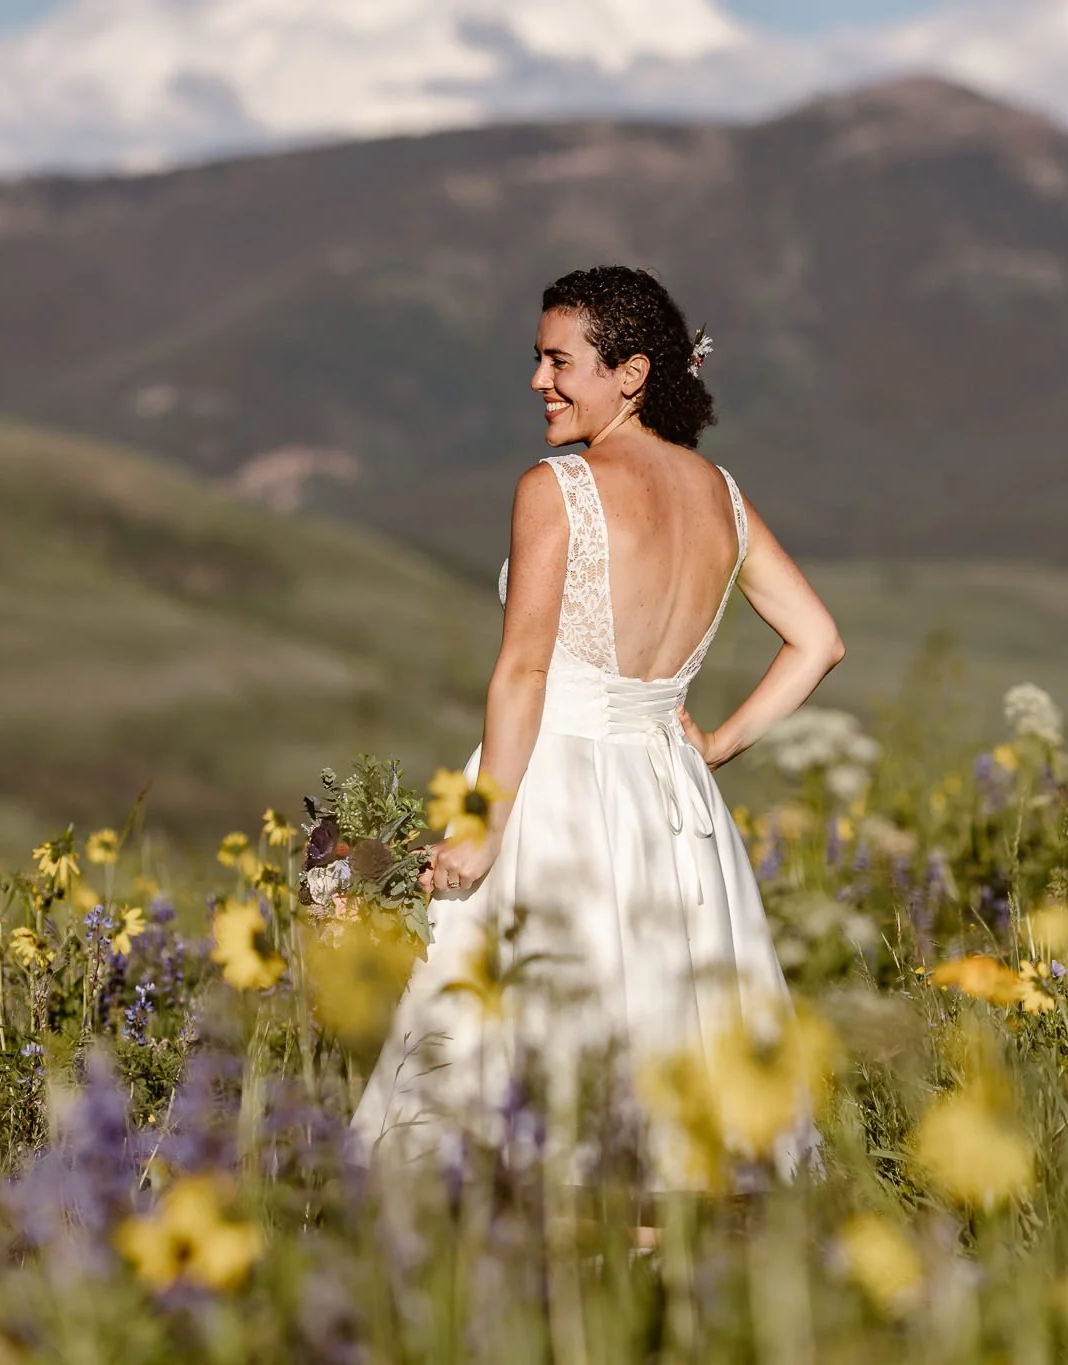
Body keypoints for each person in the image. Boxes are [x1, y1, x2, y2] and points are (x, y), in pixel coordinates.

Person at [350, 265, 844, 1184]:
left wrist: (485, 826)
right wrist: (721, 743)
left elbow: (525, 669)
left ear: (632, 372)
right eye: (539, 361)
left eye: (558, 361)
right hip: (676, 807)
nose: (539, 382)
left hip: (560, 794)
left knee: (517, 1067)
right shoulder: (721, 495)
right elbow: (817, 640)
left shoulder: (557, 487)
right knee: (668, 1063)